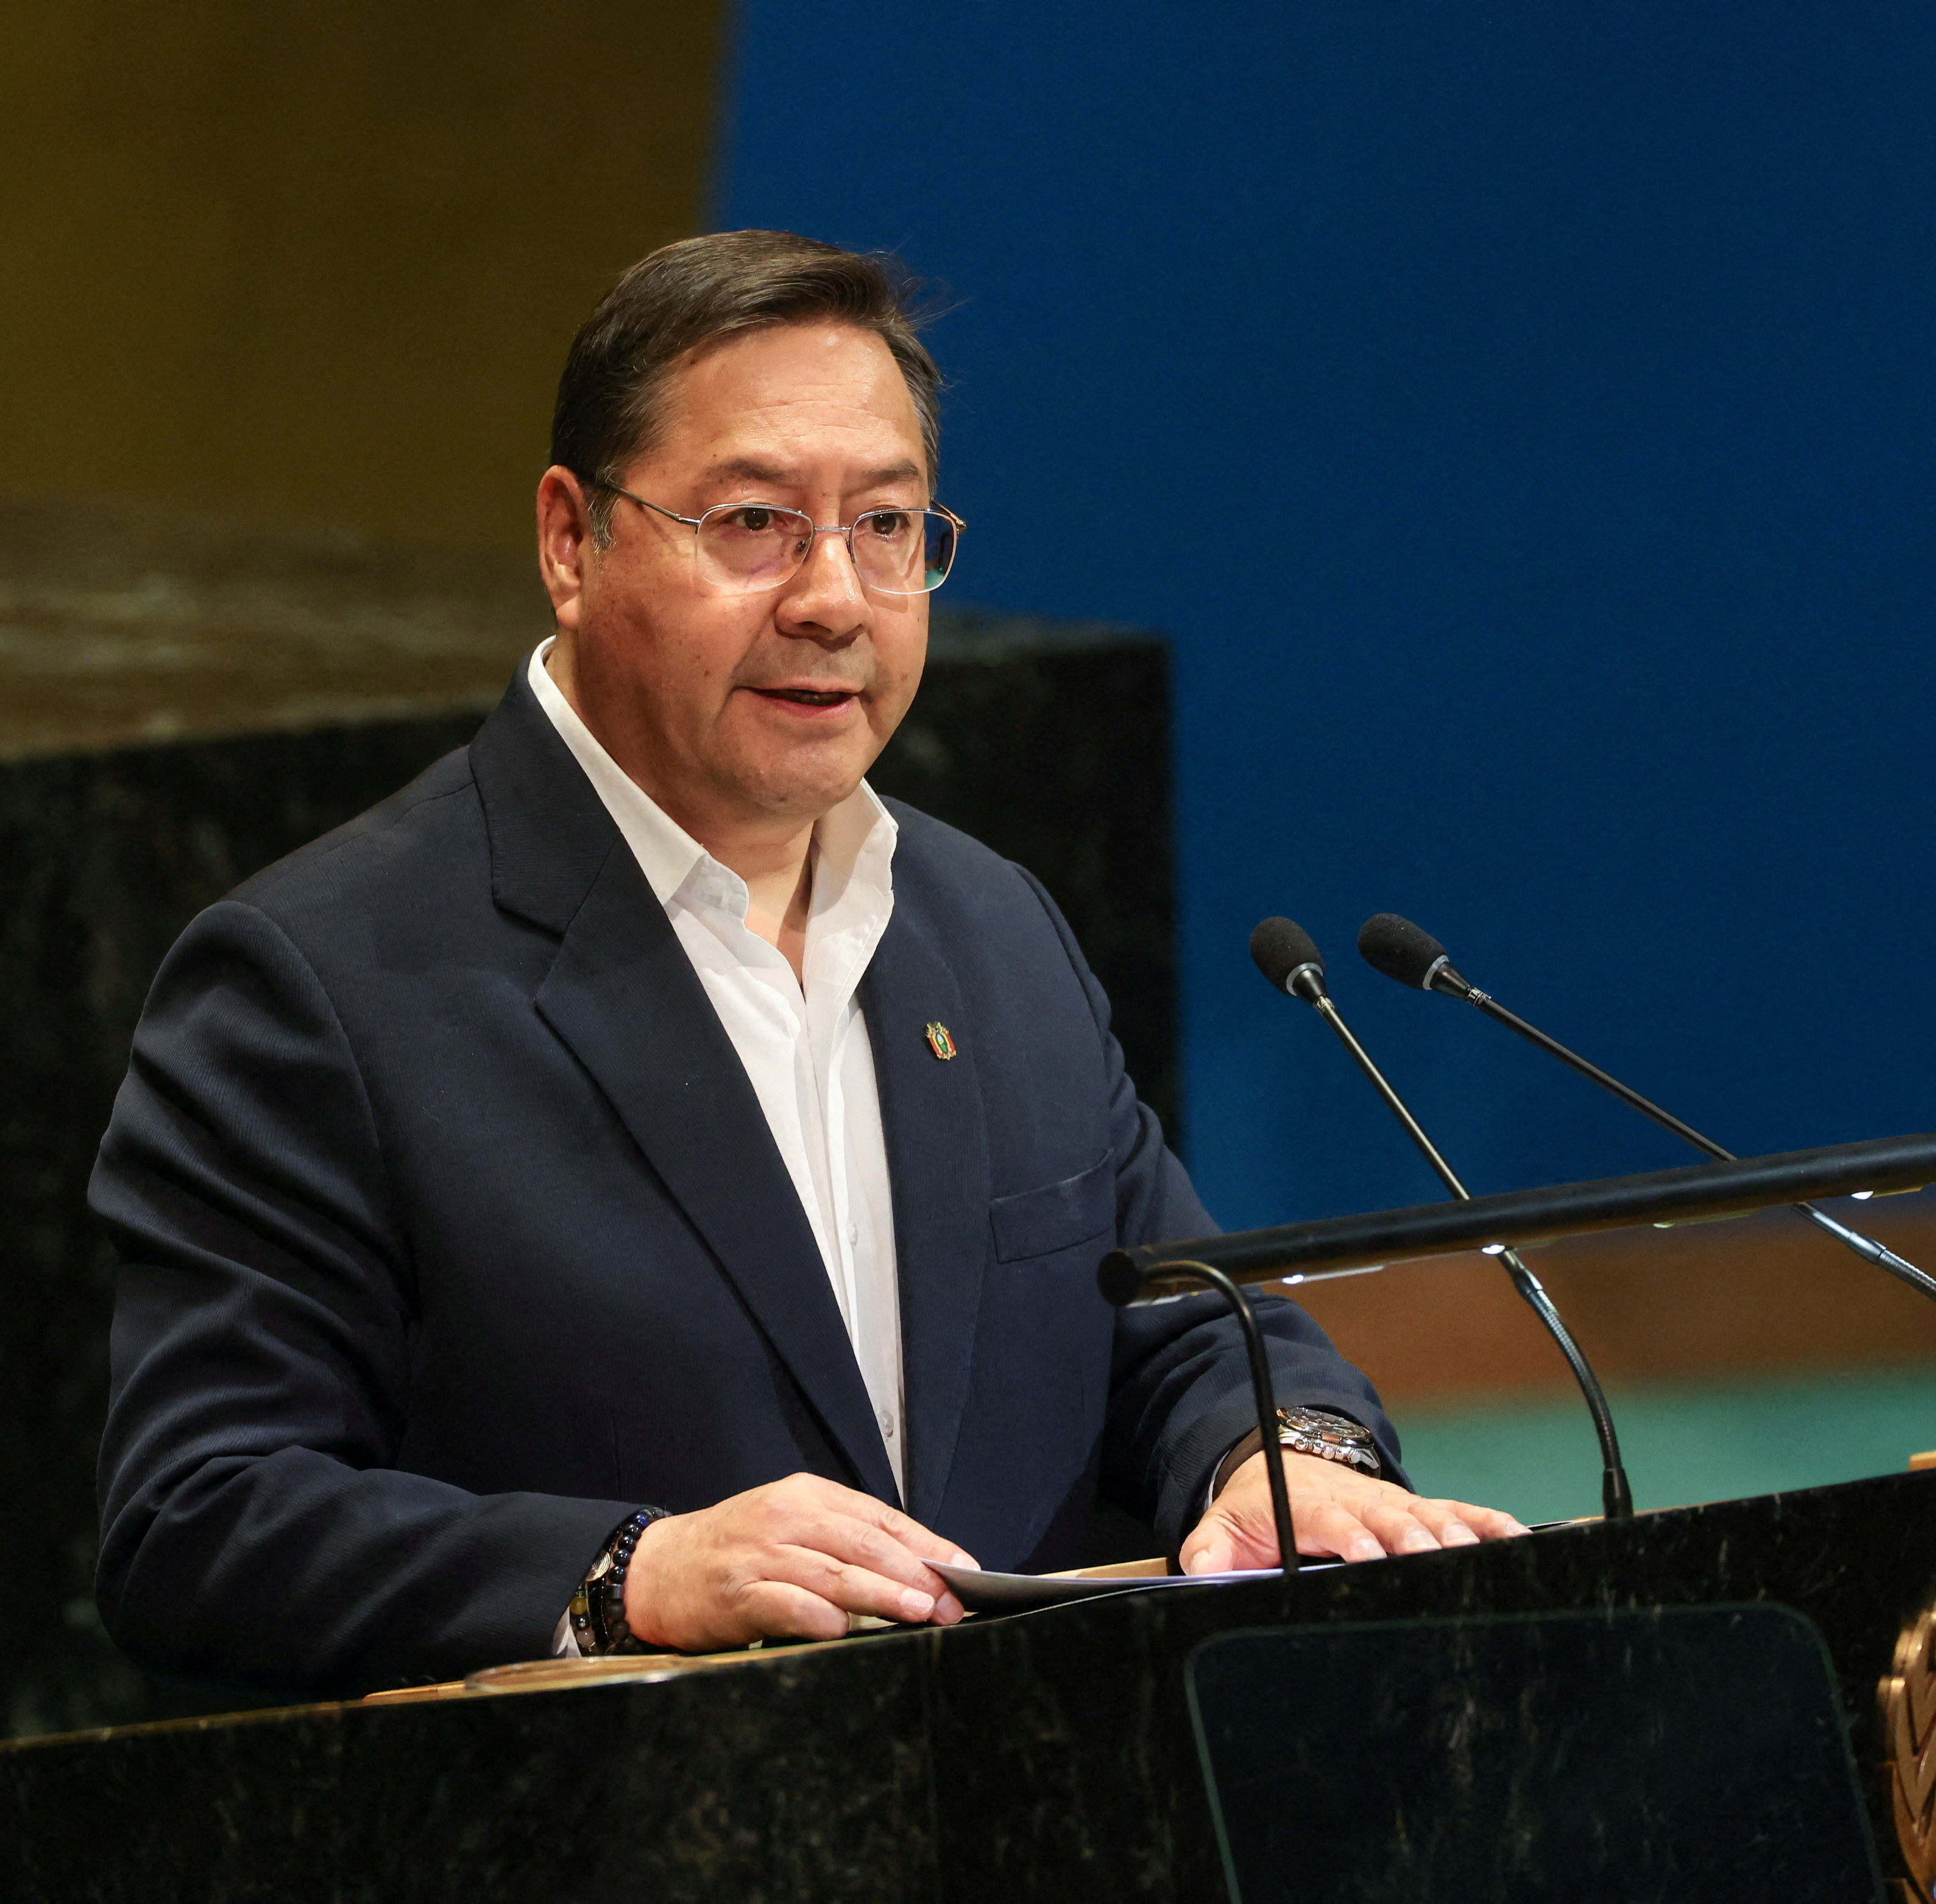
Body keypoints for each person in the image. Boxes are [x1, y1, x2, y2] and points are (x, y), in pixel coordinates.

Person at [90, 230, 1522, 1696]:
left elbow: (1179, 1329)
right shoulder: (322, 980)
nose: (834, 598)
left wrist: (1284, 1455)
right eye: (757, 523)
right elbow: (199, 1517)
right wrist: (633, 1575)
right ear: (572, 543)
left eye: (885, 526)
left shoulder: (989, 925)